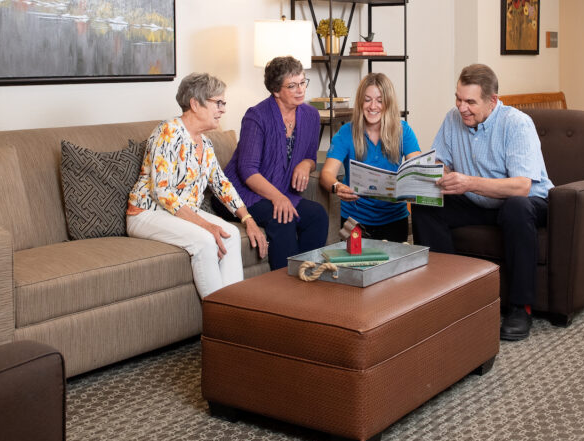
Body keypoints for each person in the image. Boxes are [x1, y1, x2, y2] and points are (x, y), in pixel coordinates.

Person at [411, 64, 553, 342]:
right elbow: (440, 161)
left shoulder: (516, 123)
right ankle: (446, 292)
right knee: (425, 203)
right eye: (458, 98)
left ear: (493, 101)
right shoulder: (453, 119)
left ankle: (520, 308)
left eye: (470, 102)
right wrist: (437, 173)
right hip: (479, 201)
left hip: (526, 203)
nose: (462, 107)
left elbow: (521, 186)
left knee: (515, 206)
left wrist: (468, 183)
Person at [127, 72, 267, 298]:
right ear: (195, 103)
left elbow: (222, 185)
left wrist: (246, 218)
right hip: (146, 213)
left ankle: (234, 311)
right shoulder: (168, 132)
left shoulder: (206, 144)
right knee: (205, 240)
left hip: (181, 213)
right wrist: (206, 225)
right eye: (218, 102)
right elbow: (162, 192)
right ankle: (219, 320)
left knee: (229, 234)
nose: (223, 109)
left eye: (224, 103)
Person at [220, 56, 329, 269]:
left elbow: (311, 158)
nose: (301, 90)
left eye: (302, 82)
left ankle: (307, 276)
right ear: (276, 90)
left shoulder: (311, 115)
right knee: (283, 219)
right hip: (241, 192)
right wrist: (279, 198)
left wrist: (305, 164)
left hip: (277, 190)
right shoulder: (256, 116)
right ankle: (287, 291)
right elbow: (247, 170)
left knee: (318, 215)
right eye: (292, 85)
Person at [319, 73, 422, 243]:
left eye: (380, 100)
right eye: (367, 99)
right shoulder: (346, 133)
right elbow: (326, 174)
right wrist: (337, 187)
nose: (373, 106)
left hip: (395, 218)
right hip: (354, 220)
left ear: (388, 103)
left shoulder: (403, 130)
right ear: (360, 102)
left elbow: (416, 168)